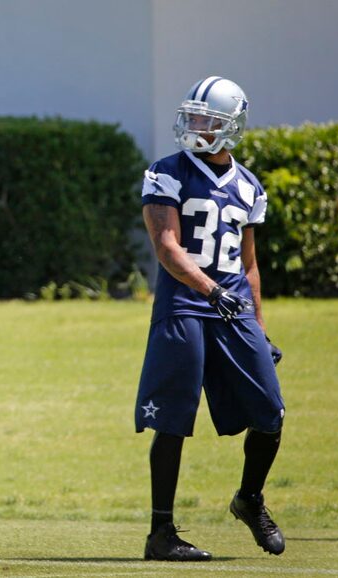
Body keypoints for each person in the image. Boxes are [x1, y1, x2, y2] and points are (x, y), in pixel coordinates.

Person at [135, 76, 286, 561]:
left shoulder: (248, 186)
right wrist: (210, 289)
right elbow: (166, 246)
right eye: (194, 116)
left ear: (233, 126)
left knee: (270, 413)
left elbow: (250, 264)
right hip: (185, 304)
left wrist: (259, 328)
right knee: (174, 419)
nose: (197, 126)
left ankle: (250, 499)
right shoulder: (167, 172)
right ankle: (161, 534)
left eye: (209, 120)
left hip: (233, 306)